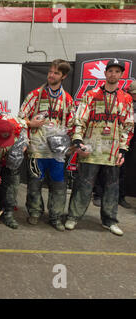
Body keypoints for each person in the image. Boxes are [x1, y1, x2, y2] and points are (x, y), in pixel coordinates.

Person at [65, 59, 134, 236]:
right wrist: (78, 140)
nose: (113, 74)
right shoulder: (91, 94)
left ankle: (109, 221)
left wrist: (123, 149)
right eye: (110, 70)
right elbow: (80, 119)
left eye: (117, 71)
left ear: (121, 75)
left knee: (112, 186)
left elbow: (128, 125)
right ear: (105, 73)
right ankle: (73, 217)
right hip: (91, 148)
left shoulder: (125, 98)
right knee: (83, 184)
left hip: (112, 151)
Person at [18, 59, 74, 231]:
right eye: (50, 71)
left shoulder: (67, 99)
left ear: (63, 76)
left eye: (56, 73)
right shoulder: (35, 95)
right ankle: (35, 212)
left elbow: (72, 124)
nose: (51, 75)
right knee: (35, 182)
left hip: (56, 152)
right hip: (37, 149)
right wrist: (31, 124)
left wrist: (69, 145)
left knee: (58, 184)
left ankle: (55, 216)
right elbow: (20, 118)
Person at [92, 80, 136, 209]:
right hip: (112, 136)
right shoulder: (122, 99)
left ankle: (119, 197)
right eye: (134, 94)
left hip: (128, 139)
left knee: (122, 169)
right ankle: (98, 195)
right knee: (102, 166)